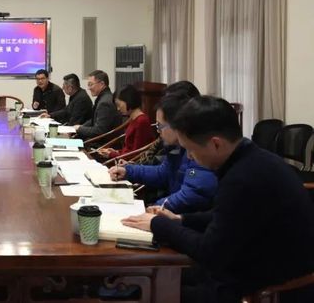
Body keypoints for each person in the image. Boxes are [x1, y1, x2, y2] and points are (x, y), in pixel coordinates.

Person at [121, 96, 314, 303]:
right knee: (151, 278)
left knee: (150, 291)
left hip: (272, 285)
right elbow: (228, 215)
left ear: (215, 144)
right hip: (251, 262)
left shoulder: (242, 178)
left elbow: (210, 252)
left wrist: (159, 225)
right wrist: (181, 220)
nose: (189, 157)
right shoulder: (252, 158)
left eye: (191, 150)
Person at [109, 94, 217, 213]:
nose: (158, 131)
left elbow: (191, 195)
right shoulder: (175, 147)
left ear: (177, 125)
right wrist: (129, 171)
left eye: (159, 125)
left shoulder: (199, 149)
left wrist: (155, 207)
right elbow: (163, 173)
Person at [98, 84, 155, 159]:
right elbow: (129, 149)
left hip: (131, 163)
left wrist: (112, 154)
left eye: (119, 105)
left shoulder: (141, 121)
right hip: (125, 160)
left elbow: (136, 155)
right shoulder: (134, 118)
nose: (118, 109)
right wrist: (117, 152)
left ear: (128, 100)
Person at [73, 70, 122, 140]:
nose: (89, 88)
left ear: (102, 84)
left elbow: (99, 131)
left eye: (90, 84)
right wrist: (80, 127)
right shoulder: (105, 97)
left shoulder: (105, 103)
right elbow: (94, 120)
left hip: (103, 144)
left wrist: (79, 129)